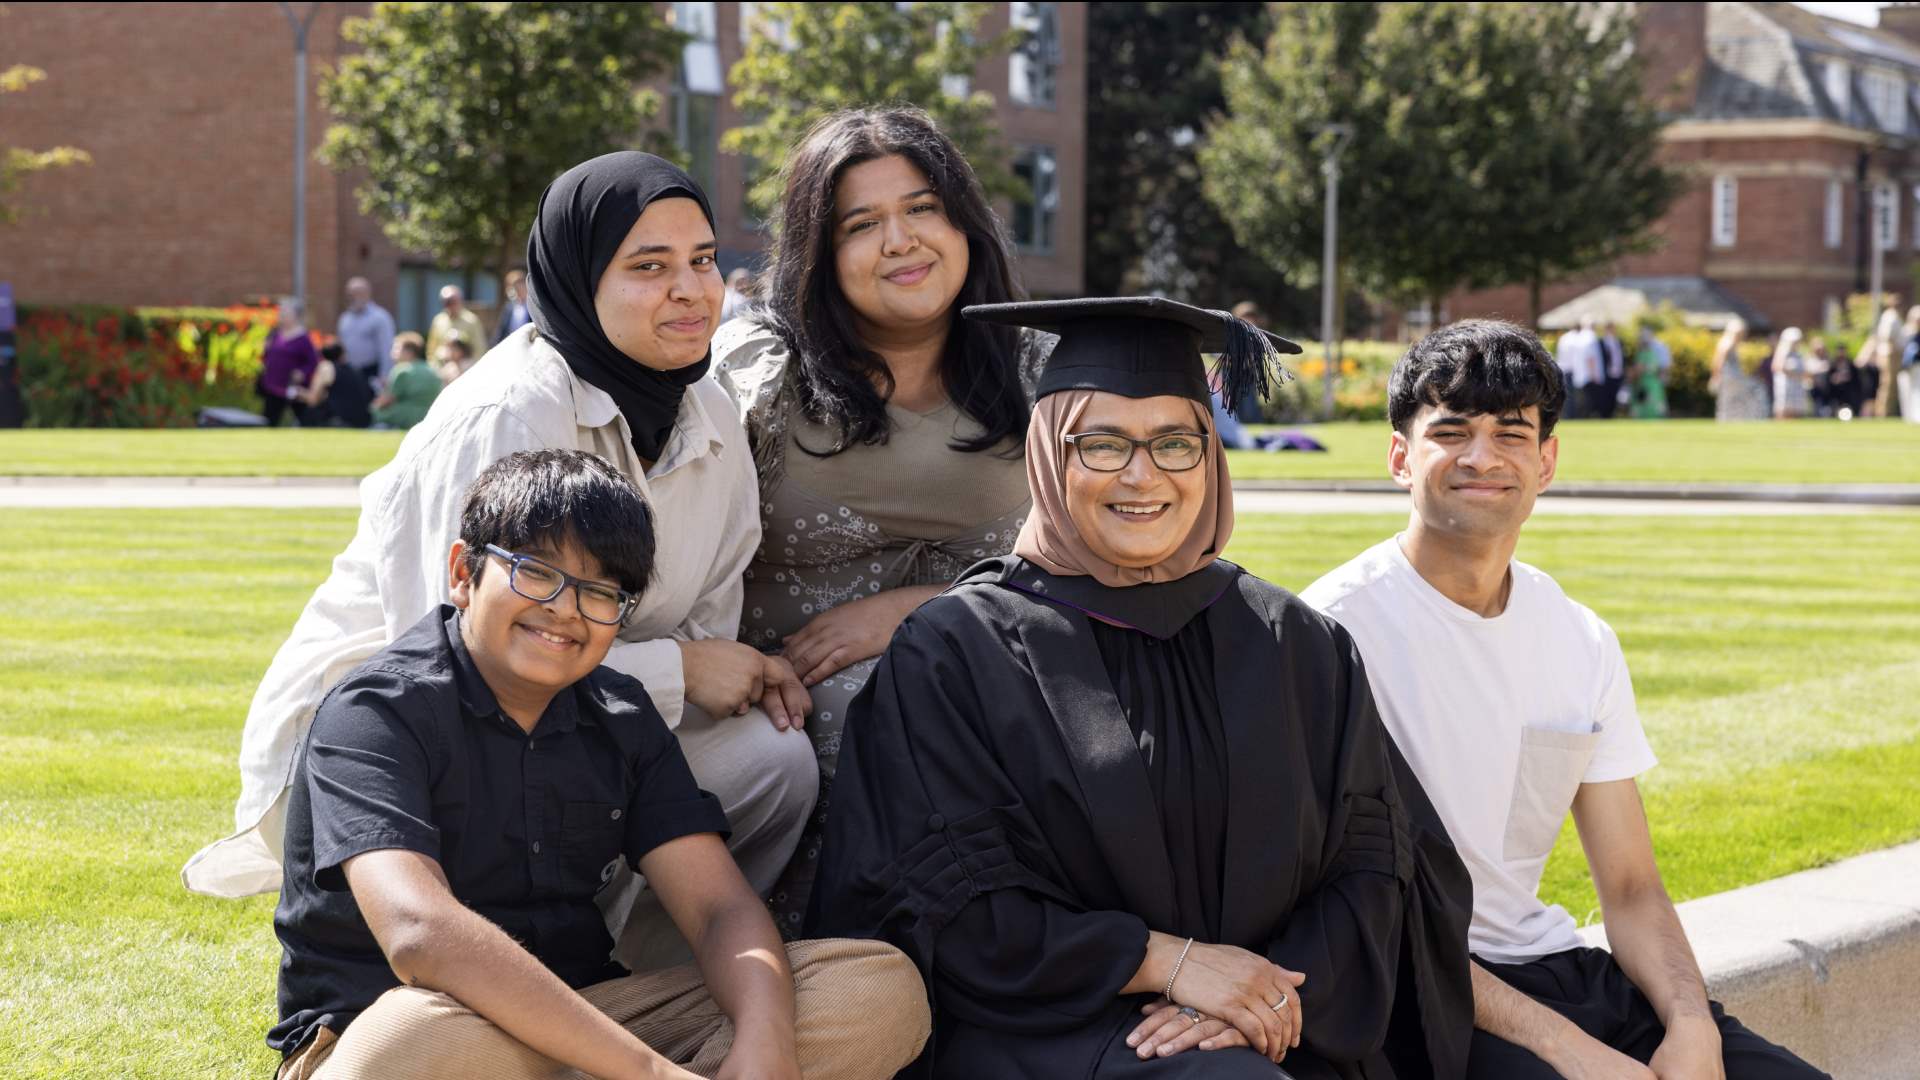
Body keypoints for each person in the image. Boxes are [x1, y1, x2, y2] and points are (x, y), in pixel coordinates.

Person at [185, 152, 819, 982]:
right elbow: (447, 663)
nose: (693, 290)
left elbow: (708, 609)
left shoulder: (709, 412)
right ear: (574, 280)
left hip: (586, 713)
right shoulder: (506, 413)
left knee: (770, 761)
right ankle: (510, 1010)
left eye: (703, 260)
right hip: (417, 745)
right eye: (648, 267)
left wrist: (683, 678)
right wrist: (679, 670)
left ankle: (632, 995)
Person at [809, 295, 1476, 1079]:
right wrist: (1170, 964)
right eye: (1102, 445)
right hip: (1050, 1037)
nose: (1142, 475)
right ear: (1049, 457)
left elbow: (1371, 873)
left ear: (1211, 456)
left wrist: (1256, 997)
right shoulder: (957, 653)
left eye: (1174, 444)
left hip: (1280, 1023)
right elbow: (945, 911)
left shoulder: (1298, 642)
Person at [268, 449, 928, 1080]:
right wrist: (652, 1072)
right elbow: (420, 934)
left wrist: (766, 1040)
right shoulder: (377, 710)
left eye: (599, 592)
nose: (564, 609)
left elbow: (719, 910)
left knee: (875, 986)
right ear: (463, 573)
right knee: (412, 1043)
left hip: (589, 1024)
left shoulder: (620, 713)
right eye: (535, 572)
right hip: (415, 1029)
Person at [1301, 320, 1826, 1080]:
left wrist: (1689, 1025)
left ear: (1546, 461)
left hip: (1554, 967)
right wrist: (1566, 1049)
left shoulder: (1580, 639)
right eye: (1451, 432)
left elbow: (1632, 886)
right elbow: (1359, 919)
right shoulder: (1330, 636)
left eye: (1511, 434)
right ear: (1399, 456)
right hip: (1414, 993)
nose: (1483, 457)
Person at [710, 105, 1053, 932]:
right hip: (776, 715)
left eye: (923, 208)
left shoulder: (1047, 376)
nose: (900, 240)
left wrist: (921, 609)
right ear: (821, 257)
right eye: (862, 224)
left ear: (965, 224)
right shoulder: (759, 378)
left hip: (999, 691)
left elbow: (1117, 562)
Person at [258, 297, 321, 427]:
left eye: (286, 314)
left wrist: (302, 373)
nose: (282, 317)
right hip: (273, 385)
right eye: (281, 314)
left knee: (305, 420)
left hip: (293, 387)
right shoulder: (275, 334)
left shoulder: (303, 338)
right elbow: (267, 355)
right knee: (269, 421)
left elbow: (312, 362)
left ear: (296, 316)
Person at [370, 332, 441, 430]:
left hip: (408, 416)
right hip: (430, 415)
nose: (393, 353)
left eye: (396, 348)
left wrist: (374, 406)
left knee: (375, 410)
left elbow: (388, 399)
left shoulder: (402, 370)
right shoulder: (431, 368)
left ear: (409, 352)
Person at [336, 277, 397, 385]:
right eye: (350, 294)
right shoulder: (345, 318)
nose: (353, 297)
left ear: (367, 293)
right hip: (350, 373)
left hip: (371, 373)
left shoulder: (380, 317)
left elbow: (387, 348)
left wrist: (385, 375)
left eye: (357, 293)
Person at [301, 342, 374, 429]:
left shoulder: (326, 367)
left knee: (309, 412)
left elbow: (313, 399)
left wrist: (297, 393)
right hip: (364, 419)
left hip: (340, 420)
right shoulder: (355, 370)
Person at [1710, 318, 1768, 421]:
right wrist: (1716, 377)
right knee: (1756, 388)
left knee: (1730, 399)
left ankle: (1733, 417)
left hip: (1733, 377)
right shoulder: (1727, 343)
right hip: (1730, 377)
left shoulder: (1729, 343)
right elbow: (1718, 361)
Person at [1553, 316, 1599, 421]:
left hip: (1563, 369)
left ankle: (1568, 415)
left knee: (1567, 395)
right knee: (1575, 396)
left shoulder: (1563, 338)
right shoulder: (1577, 339)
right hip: (1573, 370)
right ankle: (1574, 415)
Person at [426, 284, 488, 362]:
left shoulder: (471, 320)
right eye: (446, 302)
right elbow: (432, 348)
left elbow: (479, 347)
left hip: (466, 366)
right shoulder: (438, 320)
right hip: (443, 367)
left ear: (460, 301)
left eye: (453, 301)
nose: (450, 305)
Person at [1628, 326, 1669, 420]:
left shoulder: (1646, 352)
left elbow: (1639, 370)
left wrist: (1632, 376)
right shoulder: (1648, 352)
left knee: (1649, 406)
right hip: (1651, 383)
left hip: (1648, 383)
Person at [1771, 327, 1812, 419]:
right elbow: (1777, 367)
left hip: (1798, 386)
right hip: (1786, 385)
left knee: (1797, 410)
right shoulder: (1783, 352)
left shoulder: (1800, 354)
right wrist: (1794, 374)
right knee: (1784, 409)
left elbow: (1806, 370)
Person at [1594, 321, 1627, 419]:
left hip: (1617, 373)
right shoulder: (1601, 342)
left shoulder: (1619, 342)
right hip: (1606, 373)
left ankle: (1612, 414)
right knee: (1606, 396)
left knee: (1615, 395)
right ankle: (1605, 415)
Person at [493, 268, 533, 345]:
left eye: (518, 286)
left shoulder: (534, 306)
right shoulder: (509, 308)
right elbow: (501, 331)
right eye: (513, 287)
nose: (516, 290)